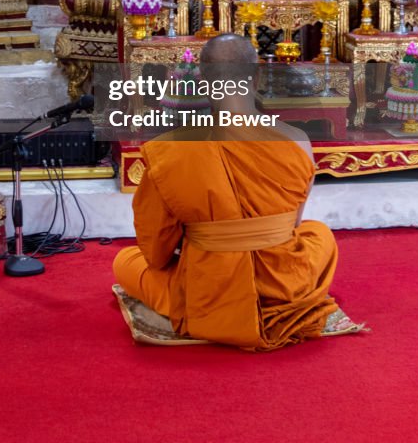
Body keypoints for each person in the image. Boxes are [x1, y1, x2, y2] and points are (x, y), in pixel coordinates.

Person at [113, 34, 362, 349]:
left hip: (208, 287)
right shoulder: (297, 140)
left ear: (203, 78)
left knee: (126, 261)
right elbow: (295, 226)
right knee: (320, 235)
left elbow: (157, 250)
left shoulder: (173, 148)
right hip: (283, 283)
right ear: (256, 76)